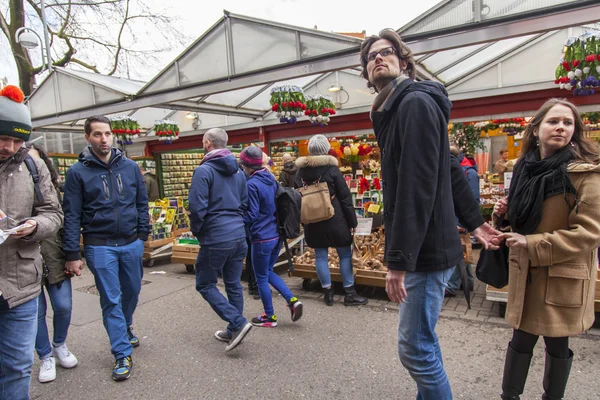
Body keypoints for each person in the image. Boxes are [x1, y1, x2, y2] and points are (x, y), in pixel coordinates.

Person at [360, 29, 498, 399]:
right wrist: (476, 220)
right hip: (427, 245)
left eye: (386, 52)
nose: (377, 58)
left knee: (415, 350)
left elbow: (417, 185)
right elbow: (447, 167)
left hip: (424, 252)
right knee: (423, 344)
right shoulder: (396, 107)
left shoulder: (413, 104)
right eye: (371, 56)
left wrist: (399, 260)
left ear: (403, 61)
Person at [493, 99, 600, 400]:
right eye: (554, 121)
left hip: (560, 275)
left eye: (568, 123)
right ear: (537, 128)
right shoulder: (524, 168)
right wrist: (504, 214)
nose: (561, 127)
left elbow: (590, 232)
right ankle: (509, 396)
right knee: (520, 339)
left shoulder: (585, 174)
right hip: (526, 273)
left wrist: (533, 243)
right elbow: (524, 218)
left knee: (556, 343)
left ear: (575, 132)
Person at [62, 115, 149, 381]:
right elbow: (72, 214)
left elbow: (141, 203)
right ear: (87, 137)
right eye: (98, 134)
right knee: (111, 299)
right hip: (100, 245)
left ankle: (125, 326)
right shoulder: (77, 172)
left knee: (132, 291)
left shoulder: (130, 167)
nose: (104, 139)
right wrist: (71, 254)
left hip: (131, 242)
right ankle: (121, 352)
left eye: (108, 134)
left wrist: (142, 234)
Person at [0, 85, 63, 399]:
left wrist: (35, 225)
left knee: (19, 365)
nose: (9, 146)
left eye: (16, 139)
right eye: (2, 138)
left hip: (21, 283)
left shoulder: (33, 167)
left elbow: (53, 213)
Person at [188, 128, 252, 351]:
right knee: (233, 283)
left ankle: (237, 322)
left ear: (207, 143)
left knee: (205, 283)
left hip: (216, 236)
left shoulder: (204, 171)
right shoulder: (238, 172)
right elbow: (244, 204)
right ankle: (234, 329)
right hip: (238, 235)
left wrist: (198, 231)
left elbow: (197, 208)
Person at [26, 143, 78, 384]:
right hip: (25, 262)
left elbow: (67, 222)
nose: (31, 165)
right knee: (36, 313)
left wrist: (72, 254)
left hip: (55, 256)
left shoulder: (52, 190)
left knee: (63, 306)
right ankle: (45, 355)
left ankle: (59, 344)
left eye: (36, 161)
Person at [295, 134, 368, 307]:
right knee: (344, 255)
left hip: (312, 221)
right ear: (327, 149)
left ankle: (328, 293)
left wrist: (304, 221)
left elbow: (298, 198)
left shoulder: (300, 173)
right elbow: (345, 198)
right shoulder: (332, 170)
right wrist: (353, 223)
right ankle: (349, 293)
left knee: (320, 256)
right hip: (336, 220)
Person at [239, 146, 303, 327]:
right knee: (267, 272)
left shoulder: (251, 184)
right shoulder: (271, 180)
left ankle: (269, 316)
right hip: (276, 235)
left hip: (261, 237)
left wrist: (236, 217)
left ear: (247, 166)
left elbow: (251, 215)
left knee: (260, 277)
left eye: (243, 164)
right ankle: (292, 300)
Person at [446, 146, 480, 298]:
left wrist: (462, 221)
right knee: (463, 249)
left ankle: (452, 286)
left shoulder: (468, 172)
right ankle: (468, 282)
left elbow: (472, 199)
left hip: (459, 219)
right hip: (455, 217)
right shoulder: (461, 169)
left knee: (456, 249)